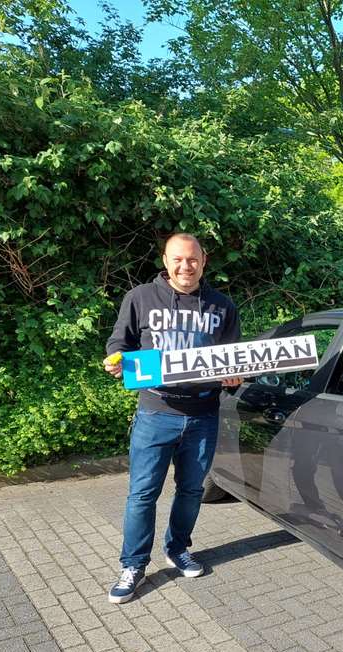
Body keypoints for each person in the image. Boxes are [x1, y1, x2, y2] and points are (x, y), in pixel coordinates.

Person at [103, 233, 242, 604]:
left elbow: (233, 356)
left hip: (203, 414)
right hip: (156, 412)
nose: (186, 267)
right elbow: (119, 343)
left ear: (204, 260)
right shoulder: (140, 298)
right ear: (165, 261)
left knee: (192, 490)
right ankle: (133, 565)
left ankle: (178, 548)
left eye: (192, 259)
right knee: (142, 494)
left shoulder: (222, 305)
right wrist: (116, 359)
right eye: (178, 259)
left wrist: (235, 376)